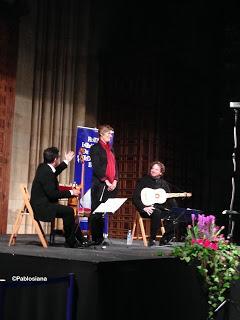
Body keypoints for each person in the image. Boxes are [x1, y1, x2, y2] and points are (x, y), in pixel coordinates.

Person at [30, 147, 91, 248]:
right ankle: (71, 241)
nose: (58, 159)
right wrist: (71, 192)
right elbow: (52, 194)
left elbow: (54, 173)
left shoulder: (43, 167)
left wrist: (66, 161)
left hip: (43, 203)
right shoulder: (46, 172)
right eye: (58, 158)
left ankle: (80, 239)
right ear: (55, 160)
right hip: (42, 207)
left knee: (69, 212)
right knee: (69, 211)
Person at [133, 161, 177, 246]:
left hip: (159, 208)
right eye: (152, 168)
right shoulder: (143, 181)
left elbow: (169, 199)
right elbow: (135, 198)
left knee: (175, 215)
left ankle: (165, 239)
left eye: (156, 169)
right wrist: (143, 207)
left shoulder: (163, 183)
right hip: (147, 209)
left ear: (161, 172)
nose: (153, 170)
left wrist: (176, 209)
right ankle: (152, 240)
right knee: (157, 213)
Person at [89, 124, 118, 245]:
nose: (110, 137)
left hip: (110, 185)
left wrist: (115, 180)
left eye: (111, 134)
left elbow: (115, 166)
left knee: (103, 213)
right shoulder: (95, 148)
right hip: (99, 184)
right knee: (96, 212)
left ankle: (100, 238)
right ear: (101, 134)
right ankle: (96, 238)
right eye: (108, 134)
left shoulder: (110, 149)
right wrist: (105, 180)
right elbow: (96, 167)